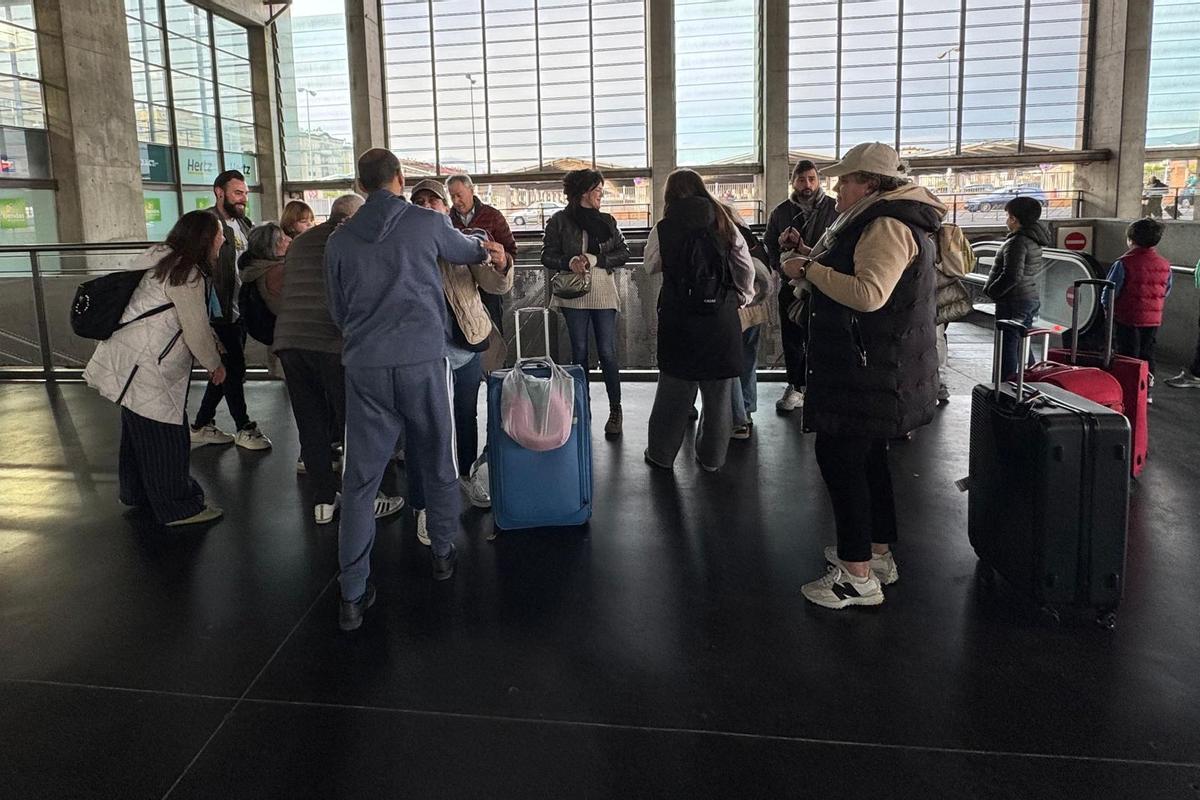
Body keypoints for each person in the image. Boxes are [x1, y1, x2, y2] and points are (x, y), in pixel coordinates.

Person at [325, 149, 507, 631]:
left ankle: (352, 592)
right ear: (400, 180)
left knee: (360, 484)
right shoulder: (425, 224)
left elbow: (338, 313)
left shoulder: (339, 241)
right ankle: (443, 553)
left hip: (364, 369)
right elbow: (472, 251)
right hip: (423, 362)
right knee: (438, 462)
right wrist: (482, 239)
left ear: (361, 185)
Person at [780, 142, 945, 610]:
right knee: (868, 461)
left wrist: (807, 268)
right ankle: (877, 554)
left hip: (865, 370)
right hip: (876, 368)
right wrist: (812, 257)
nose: (837, 187)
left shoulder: (887, 224)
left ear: (871, 183)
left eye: (846, 179)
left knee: (842, 461)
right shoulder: (886, 219)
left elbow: (870, 293)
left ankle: (855, 576)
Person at [84, 211, 227, 526]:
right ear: (205, 238)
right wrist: (214, 363)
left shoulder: (159, 260)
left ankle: (137, 493)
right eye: (218, 234)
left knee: (139, 431)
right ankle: (178, 506)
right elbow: (194, 327)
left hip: (127, 357)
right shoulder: (187, 273)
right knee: (166, 435)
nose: (223, 239)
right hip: (149, 365)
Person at [275, 193, 405, 525]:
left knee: (312, 423)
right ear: (353, 217)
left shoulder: (301, 242)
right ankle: (371, 497)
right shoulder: (350, 240)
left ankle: (322, 502)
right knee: (354, 423)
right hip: (333, 343)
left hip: (290, 340)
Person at [409, 178, 514, 533]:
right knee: (423, 427)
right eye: (418, 201)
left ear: (446, 208)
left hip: (466, 345)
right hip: (421, 353)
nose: (426, 206)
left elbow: (495, 284)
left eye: (433, 201)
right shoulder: (400, 245)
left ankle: (467, 475)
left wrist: (501, 263)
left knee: (466, 416)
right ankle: (423, 504)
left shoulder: (460, 241)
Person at [643, 169, 755, 472]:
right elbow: (744, 266)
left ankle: (661, 455)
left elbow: (650, 264)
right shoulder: (723, 221)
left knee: (673, 392)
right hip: (720, 317)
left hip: (679, 318)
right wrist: (742, 296)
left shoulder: (663, 227)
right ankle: (712, 459)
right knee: (719, 396)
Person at [542, 168, 632, 437]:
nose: (601, 196)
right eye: (597, 191)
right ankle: (581, 406)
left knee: (607, 350)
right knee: (578, 351)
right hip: (573, 293)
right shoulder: (559, 221)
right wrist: (568, 261)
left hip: (603, 290)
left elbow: (623, 252)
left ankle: (615, 408)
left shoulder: (607, 220)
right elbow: (547, 255)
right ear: (583, 192)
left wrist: (596, 260)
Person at [189, 170, 272, 451]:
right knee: (234, 369)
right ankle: (243, 426)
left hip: (239, 311)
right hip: (219, 313)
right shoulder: (206, 224)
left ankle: (201, 424)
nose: (243, 199)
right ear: (219, 192)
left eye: (245, 193)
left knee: (227, 370)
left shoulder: (245, 224)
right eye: (238, 193)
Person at [764, 160, 839, 414]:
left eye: (811, 179)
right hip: (791, 285)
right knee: (792, 336)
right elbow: (769, 245)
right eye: (801, 179)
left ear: (818, 181)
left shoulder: (835, 209)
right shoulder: (781, 212)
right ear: (793, 182)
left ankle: (819, 388)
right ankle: (796, 385)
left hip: (826, 284)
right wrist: (780, 266)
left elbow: (839, 247)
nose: (806, 185)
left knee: (823, 336)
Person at [983, 195, 1050, 380]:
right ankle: (1030, 379)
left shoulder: (1017, 242)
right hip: (1027, 297)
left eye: (1008, 216)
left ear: (1014, 218)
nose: (1007, 220)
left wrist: (992, 291)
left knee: (1008, 343)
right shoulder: (1033, 239)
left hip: (1013, 300)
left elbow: (1012, 274)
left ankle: (1004, 385)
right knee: (1022, 340)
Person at [1106, 217, 1172, 400]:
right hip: (1152, 319)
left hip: (1127, 317)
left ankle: (1126, 390)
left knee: (1127, 353)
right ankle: (1146, 391)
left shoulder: (1123, 263)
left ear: (1131, 240)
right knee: (1147, 353)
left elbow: (1111, 290)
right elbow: (1166, 290)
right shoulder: (1165, 264)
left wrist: (1106, 309)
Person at [446, 174, 517, 335]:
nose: (456, 201)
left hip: (489, 287)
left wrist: (502, 261)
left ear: (471, 190)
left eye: (459, 195)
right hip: (460, 288)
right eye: (452, 197)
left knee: (494, 333)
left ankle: (499, 361)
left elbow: (511, 249)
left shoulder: (493, 216)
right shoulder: (446, 221)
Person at [731, 226, 772, 440]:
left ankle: (737, 419)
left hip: (734, 309)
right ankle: (746, 410)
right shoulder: (746, 233)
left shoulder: (721, 234)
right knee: (748, 360)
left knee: (730, 364)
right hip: (755, 309)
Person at [238, 222, 291, 317]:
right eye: (283, 237)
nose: (289, 239)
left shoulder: (254, 268)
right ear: (276, 244)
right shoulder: (278, 271)